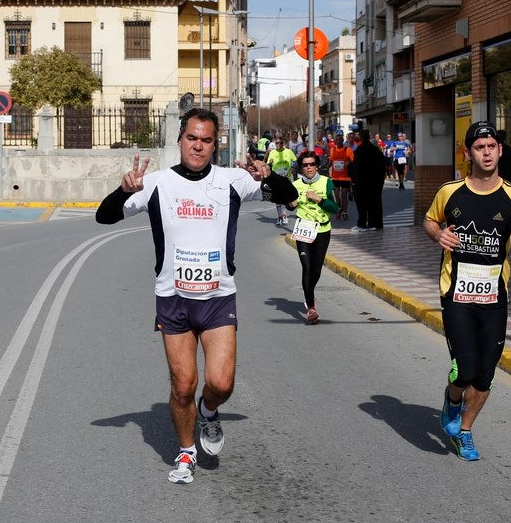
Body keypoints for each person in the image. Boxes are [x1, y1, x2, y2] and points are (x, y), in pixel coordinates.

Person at [95, 108, 297, 485]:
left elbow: (289, 196)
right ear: (180, 140)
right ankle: (186, 450)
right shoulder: (155, 183)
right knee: (183, 383)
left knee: (221, 384)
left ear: (215, 144)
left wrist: (270, 177)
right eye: (192, 138)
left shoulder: (234, 180)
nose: (198, 146)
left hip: (219, 297)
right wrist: (123, 191)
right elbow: (104, 217)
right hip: (173, 299)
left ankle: (209, 410)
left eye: (206, 140)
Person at [423, 121, 511, 461]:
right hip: (456, 294)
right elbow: (430, 220)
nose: (487, 152)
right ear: (468, 153)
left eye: (492, 146)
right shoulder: (451, 192)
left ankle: (465, 432)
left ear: (500, 151)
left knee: (486, 373)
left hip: (494, 297)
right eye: (480, 147)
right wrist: (438, 235)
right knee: (465, 368)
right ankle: (453, 397)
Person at [288, 151, 339, 324]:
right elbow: (290, 205)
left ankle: (308, 292)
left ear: (317, 166)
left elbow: (334, 208)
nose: (308, 168)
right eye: (305, 165)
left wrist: (319, 199)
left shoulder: (327, 183)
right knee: (307, 267)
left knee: (316, 270)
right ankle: (311, 307)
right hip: (303, 230)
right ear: (301, 168)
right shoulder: (295, 185)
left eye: (311, 164)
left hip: (323, 231)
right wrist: (291, 204)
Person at [350, 130, 386, 231]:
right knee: (375, 203)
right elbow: (382, 167)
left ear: (361, 137)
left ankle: (362, 224)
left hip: (362, 182)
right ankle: (376, 223)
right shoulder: (376, 150)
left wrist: (354, 181)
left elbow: (356, 168)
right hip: (376, 183)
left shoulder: (360, 151)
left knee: (362, 204)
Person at [266, 137, 297, 226]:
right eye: (277, 143)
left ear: (283, 143)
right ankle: (280, 216)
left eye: (280, 143)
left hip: (286, 178)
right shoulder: (272, 153)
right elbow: (269, 164)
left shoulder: (288, 152)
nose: (278, 145)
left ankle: (284, 216)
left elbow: (295, 161)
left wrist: (293, 168)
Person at [329, 132, 355, 221]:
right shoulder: (332, 149)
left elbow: (352, 160)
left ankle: (344, 212)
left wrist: (348, 163)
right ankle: (339, 208)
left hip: (345, 177)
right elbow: (331, 161)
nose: (338, 141)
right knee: (337, 196)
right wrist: (325, 167)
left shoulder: (348, 150)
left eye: (340, 140)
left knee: (344, 196)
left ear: (343, 140)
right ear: (335, 141)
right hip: (335, 177)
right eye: (337, 140)